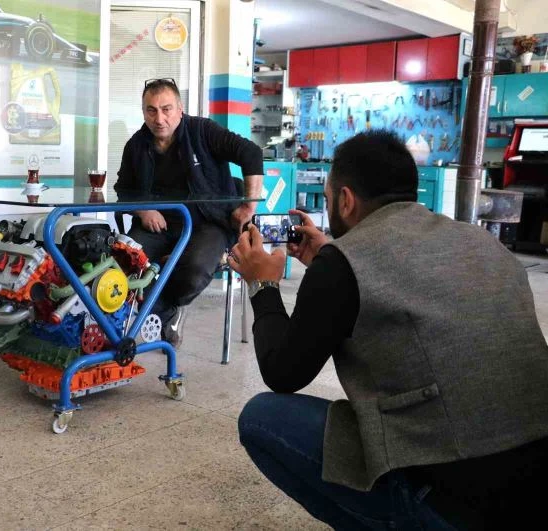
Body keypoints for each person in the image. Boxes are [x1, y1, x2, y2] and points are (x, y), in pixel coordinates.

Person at [228, 130, 548, 529]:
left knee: (261, 418)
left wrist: (263, 285)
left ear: (345, 200)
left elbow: (282, 372)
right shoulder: (478, 239)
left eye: (329, 200)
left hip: (452, 504)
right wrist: (330, 260)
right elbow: (407, 277)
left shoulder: (343, 263)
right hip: (534, 485)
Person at [115, 78, 264, 346]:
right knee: (124, 260)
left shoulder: (202, 131)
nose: (159, 118)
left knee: (194, 270)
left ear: (180, 109)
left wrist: (249, 206)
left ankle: (166, 305)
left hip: (209, 223)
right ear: (144, 112)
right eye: (151, 110)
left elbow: (251, 153)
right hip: (158, 226)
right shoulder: (136, 145)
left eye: (166, 109)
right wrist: (143, 210)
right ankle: (165, 313)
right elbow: (123, 190)